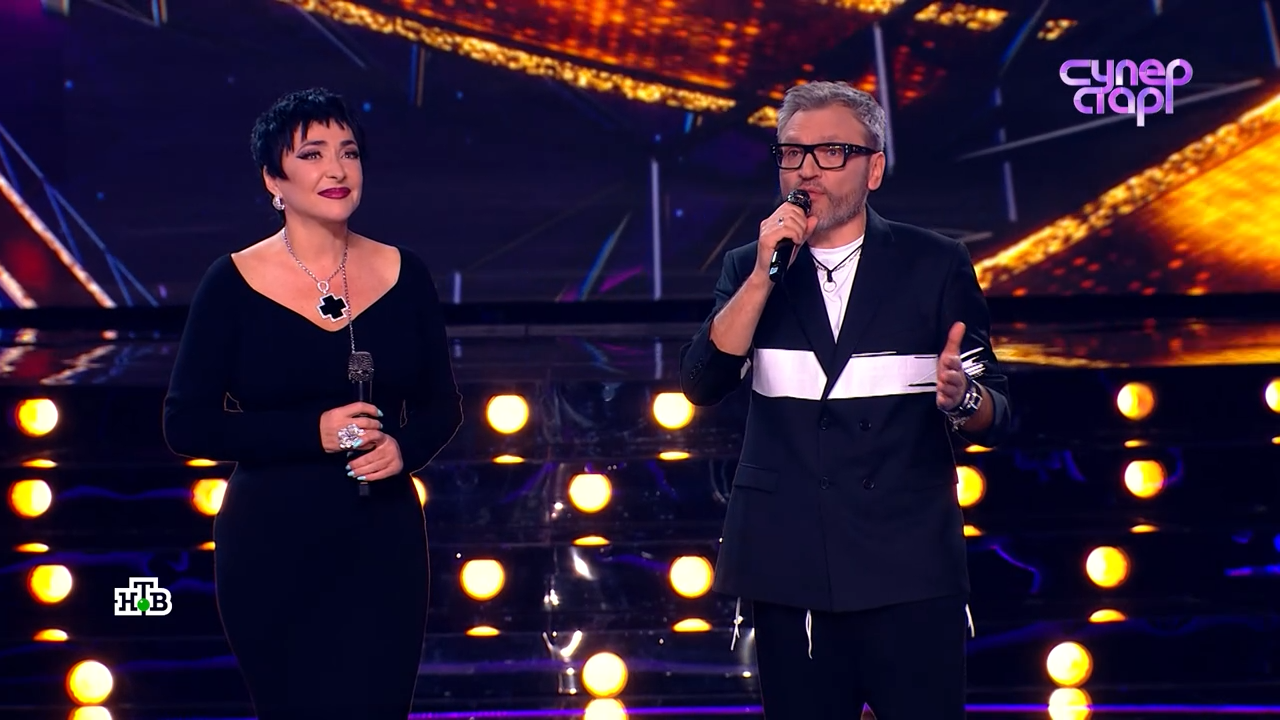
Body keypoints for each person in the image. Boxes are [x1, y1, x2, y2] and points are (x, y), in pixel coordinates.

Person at [679, 81, 1013, 719]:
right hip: (791, 564)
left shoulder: (934, 263)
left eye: (830, 152)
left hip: (908, 565)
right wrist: (764, 276)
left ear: (874, 169)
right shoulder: (750, 267)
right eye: (792, 153)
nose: (807, 170)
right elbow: (701, 383)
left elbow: (996, 408)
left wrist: (961, 396)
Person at [162, 88, 463, 719]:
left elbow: (443, 405)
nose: (336, 169)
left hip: (382, 540)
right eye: (312, 154)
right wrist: (311, 432)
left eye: (348, 152)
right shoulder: (232, 283)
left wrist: (403, 449)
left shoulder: (405, 274)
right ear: (273, 179)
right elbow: (185, 423)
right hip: (271, 541)